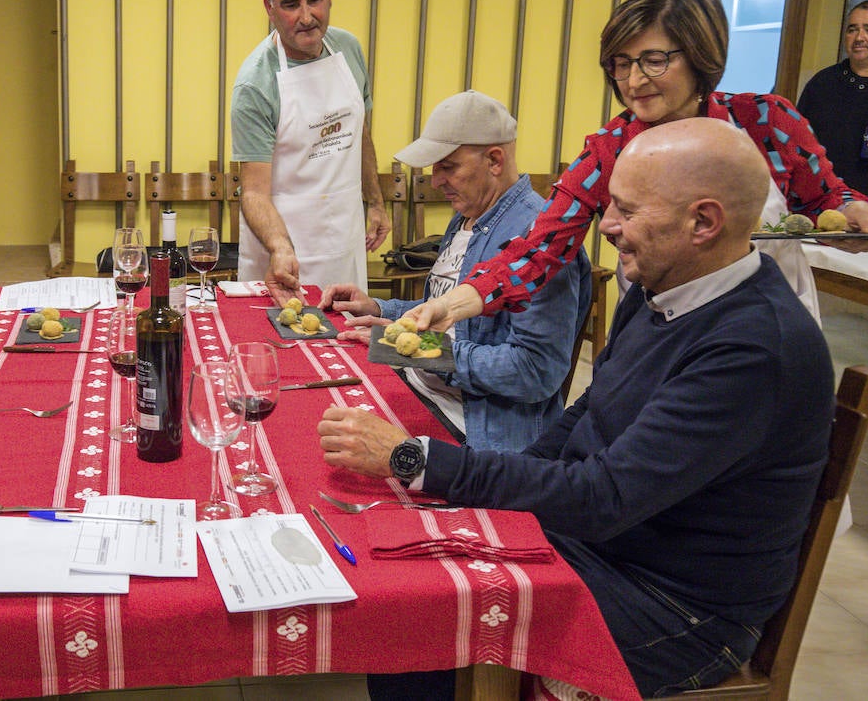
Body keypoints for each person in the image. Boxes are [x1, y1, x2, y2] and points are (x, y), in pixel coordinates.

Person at [319, 118, 835, 697]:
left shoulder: (754, 347)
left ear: (704, 222)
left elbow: (603, 499)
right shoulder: (663, 284)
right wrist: (504, 478)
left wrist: (417, 459)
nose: (607, 226)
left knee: (419, 612)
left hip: (676, 610)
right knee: (412, 565)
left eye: (628, 211)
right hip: (609, 549)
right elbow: (592, 406)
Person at [411, 0, 868, 335]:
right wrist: (453, 304)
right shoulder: (611, 146)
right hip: (663, 326)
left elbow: (825, 197)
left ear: (700, 56)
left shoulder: (767, 121)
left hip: (768, 324)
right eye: (620, 63)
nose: (634, 81)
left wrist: (849, 209)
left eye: (654, 60)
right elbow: (542, 245)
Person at [317, 91, 590, 452]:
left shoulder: (541, 241)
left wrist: (417, 351)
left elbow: (535, 371)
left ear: (494, 160)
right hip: (424, 393)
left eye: (448, 167)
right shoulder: (467, 217)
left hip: (477, 433)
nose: (435, 181)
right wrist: (381, 309)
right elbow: (447, 312)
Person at [231, 0, 390, 304]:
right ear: (269, 8)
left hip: (344, 241)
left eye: (315, 0)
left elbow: (360, 132)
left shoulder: (348, 49)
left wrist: (376, 202)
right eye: (290, 5)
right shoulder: (255, 84)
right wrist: (280, 247)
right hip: (284, 255)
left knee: (347, 344)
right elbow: (254, 192)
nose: (307, 17)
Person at [798, 0, 868, 394]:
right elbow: (800, 143)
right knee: (807, 275)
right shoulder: (824, 83)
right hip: (834, 203)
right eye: (853, 28)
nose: (859, 37)